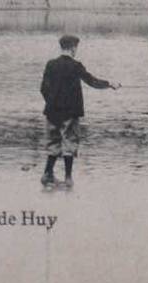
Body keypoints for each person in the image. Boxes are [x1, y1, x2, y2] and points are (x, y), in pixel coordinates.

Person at [40, 35, 120, 188]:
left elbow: (43, 88)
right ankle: (68, 178)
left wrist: (52, 103)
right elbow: (92, 81)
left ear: (61, 47)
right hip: (70, 112)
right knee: (69, 142)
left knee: (53, 142)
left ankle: (47, 174)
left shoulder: (50, 64)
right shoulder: (76, 66)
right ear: (73, 48)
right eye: (76, 48)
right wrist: (110, 84)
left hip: (52, 111)